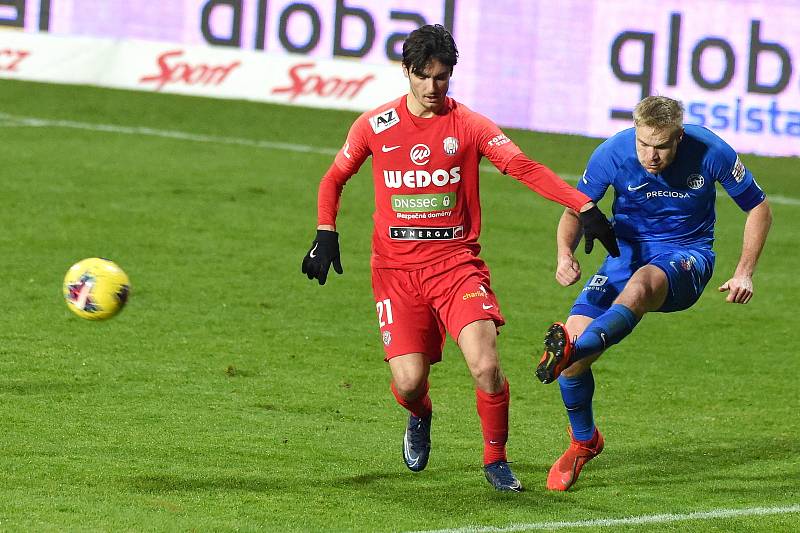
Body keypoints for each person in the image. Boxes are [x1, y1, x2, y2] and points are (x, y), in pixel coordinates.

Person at [301, 24, 618, 492]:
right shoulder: (375, 125)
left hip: (456, 267)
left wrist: (582, 204)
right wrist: (326, 231)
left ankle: (496, 461)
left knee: (486, 366)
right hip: (395, 272)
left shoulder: (468, 125)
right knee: (409, 382)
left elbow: (521, 166)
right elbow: (334, 178)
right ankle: (420, 413)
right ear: (406, 71)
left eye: (443, 77)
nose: (434, 88)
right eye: (425, 77)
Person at [535, 95, 773, 491]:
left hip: (687, 257)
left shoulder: (710, 150)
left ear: (678, 137)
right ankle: (584, 441)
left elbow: (758, 207)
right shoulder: (613, 151)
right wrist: (564, 255)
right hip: (622, 258)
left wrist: (744, 272)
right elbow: (575, 207)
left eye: (662, 146)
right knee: (574, 358)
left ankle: (572, 349)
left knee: (643, 283)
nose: (651, 155)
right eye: (644, 143)